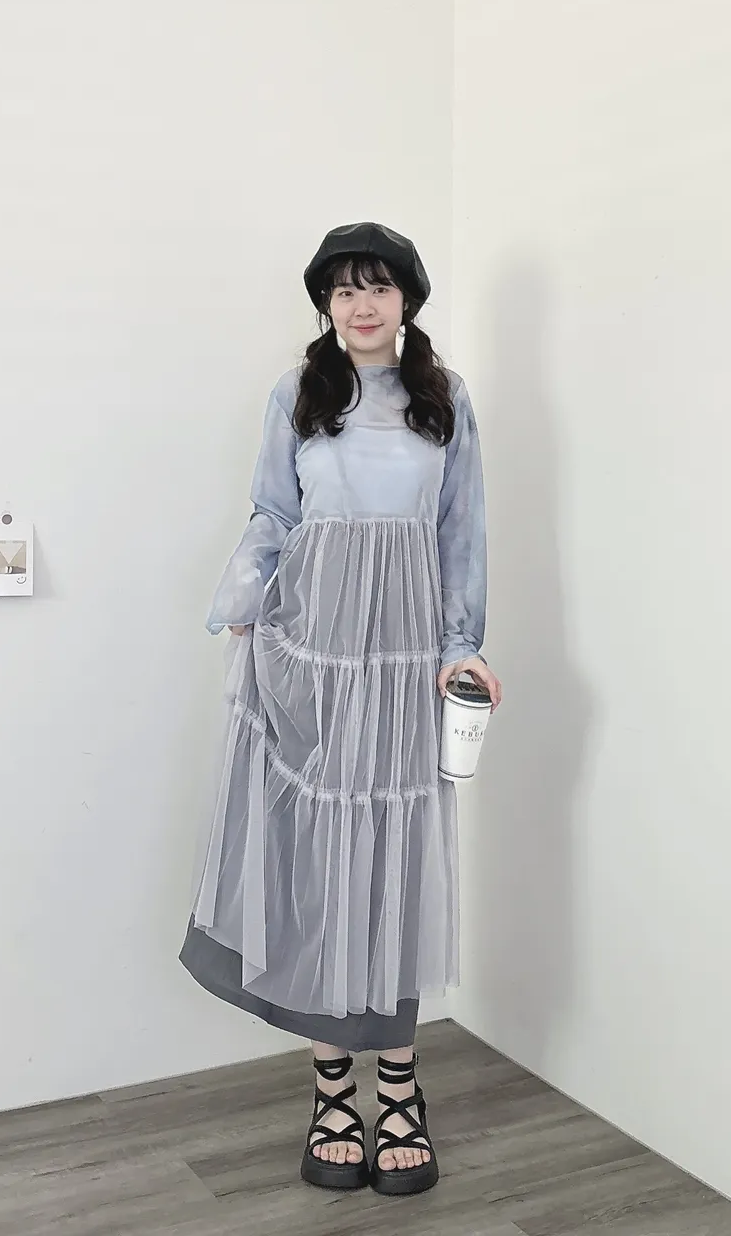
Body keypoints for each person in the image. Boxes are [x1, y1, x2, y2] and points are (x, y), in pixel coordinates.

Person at [180, 221, 501, 1197]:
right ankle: (331, 1092)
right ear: (326, 303)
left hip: (403, 659)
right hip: (311, 651)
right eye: (345, 289)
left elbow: (461, 532)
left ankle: (399, 1088)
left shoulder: (445, 400)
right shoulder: (300, 394)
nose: (362, 305)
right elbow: (274, 514)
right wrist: (242, 603)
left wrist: (462, 645)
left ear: (408, 300)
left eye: (380, 287)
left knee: (395, 859)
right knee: (320, 860)